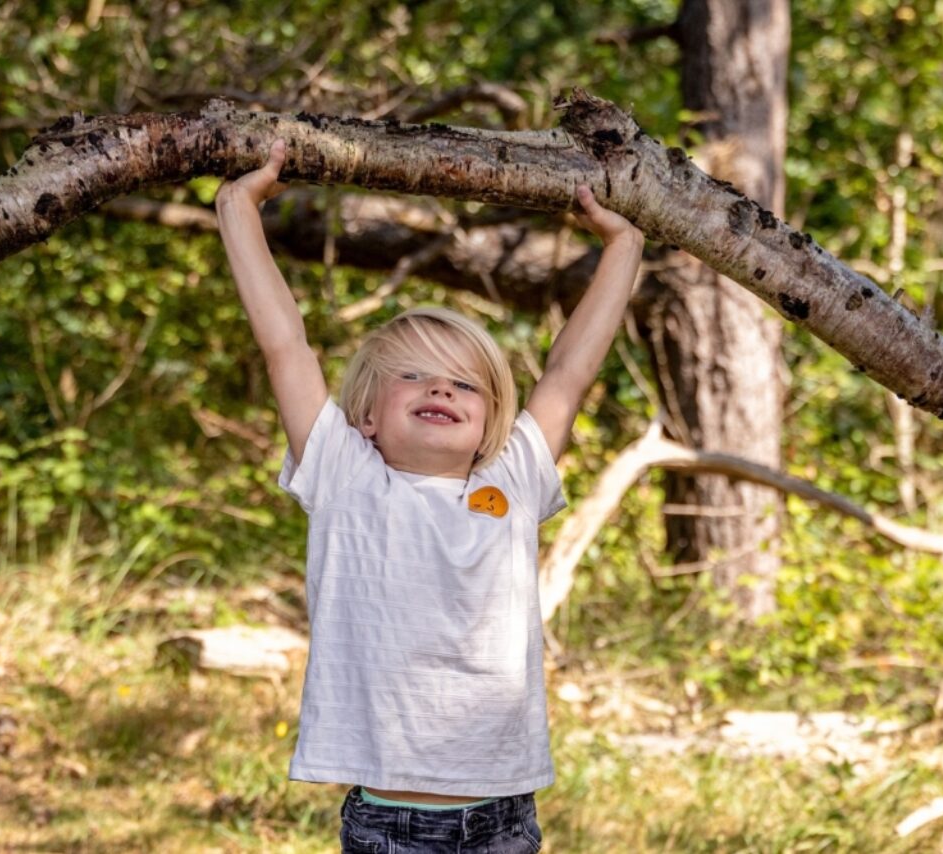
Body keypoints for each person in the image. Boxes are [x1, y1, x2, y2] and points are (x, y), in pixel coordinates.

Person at [215, 138, 644, 853]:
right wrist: (238, 205)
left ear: (490, 426)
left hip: (504, 818)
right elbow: (286, 344)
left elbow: (569, 371)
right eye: (412, 375)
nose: (441, 388)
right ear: (367, 416)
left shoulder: (511, 477)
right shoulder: (346, 474)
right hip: (389, 822)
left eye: (465, 382)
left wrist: (624, 244)